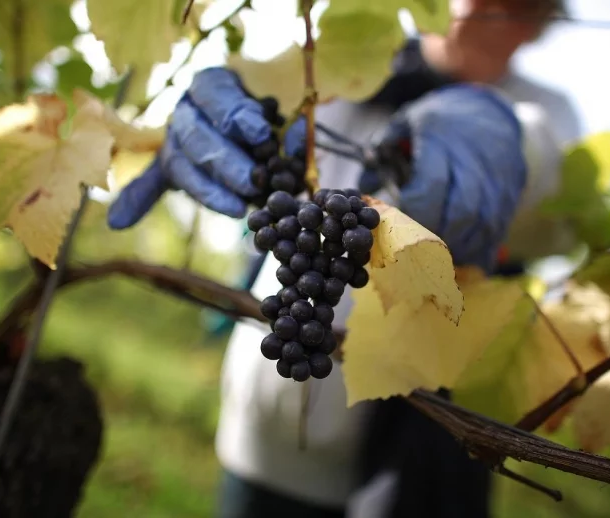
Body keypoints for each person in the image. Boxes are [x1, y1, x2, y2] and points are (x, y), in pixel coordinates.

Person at [106, 0, 583, 516]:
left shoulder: (546, 111)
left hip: (411, 471)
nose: (478, 10)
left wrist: (507, 139)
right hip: (260, 434)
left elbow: (552, 195)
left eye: (509, 6)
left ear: (538, 24)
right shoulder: (337, 63)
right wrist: (229, 95)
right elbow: (263, 95)